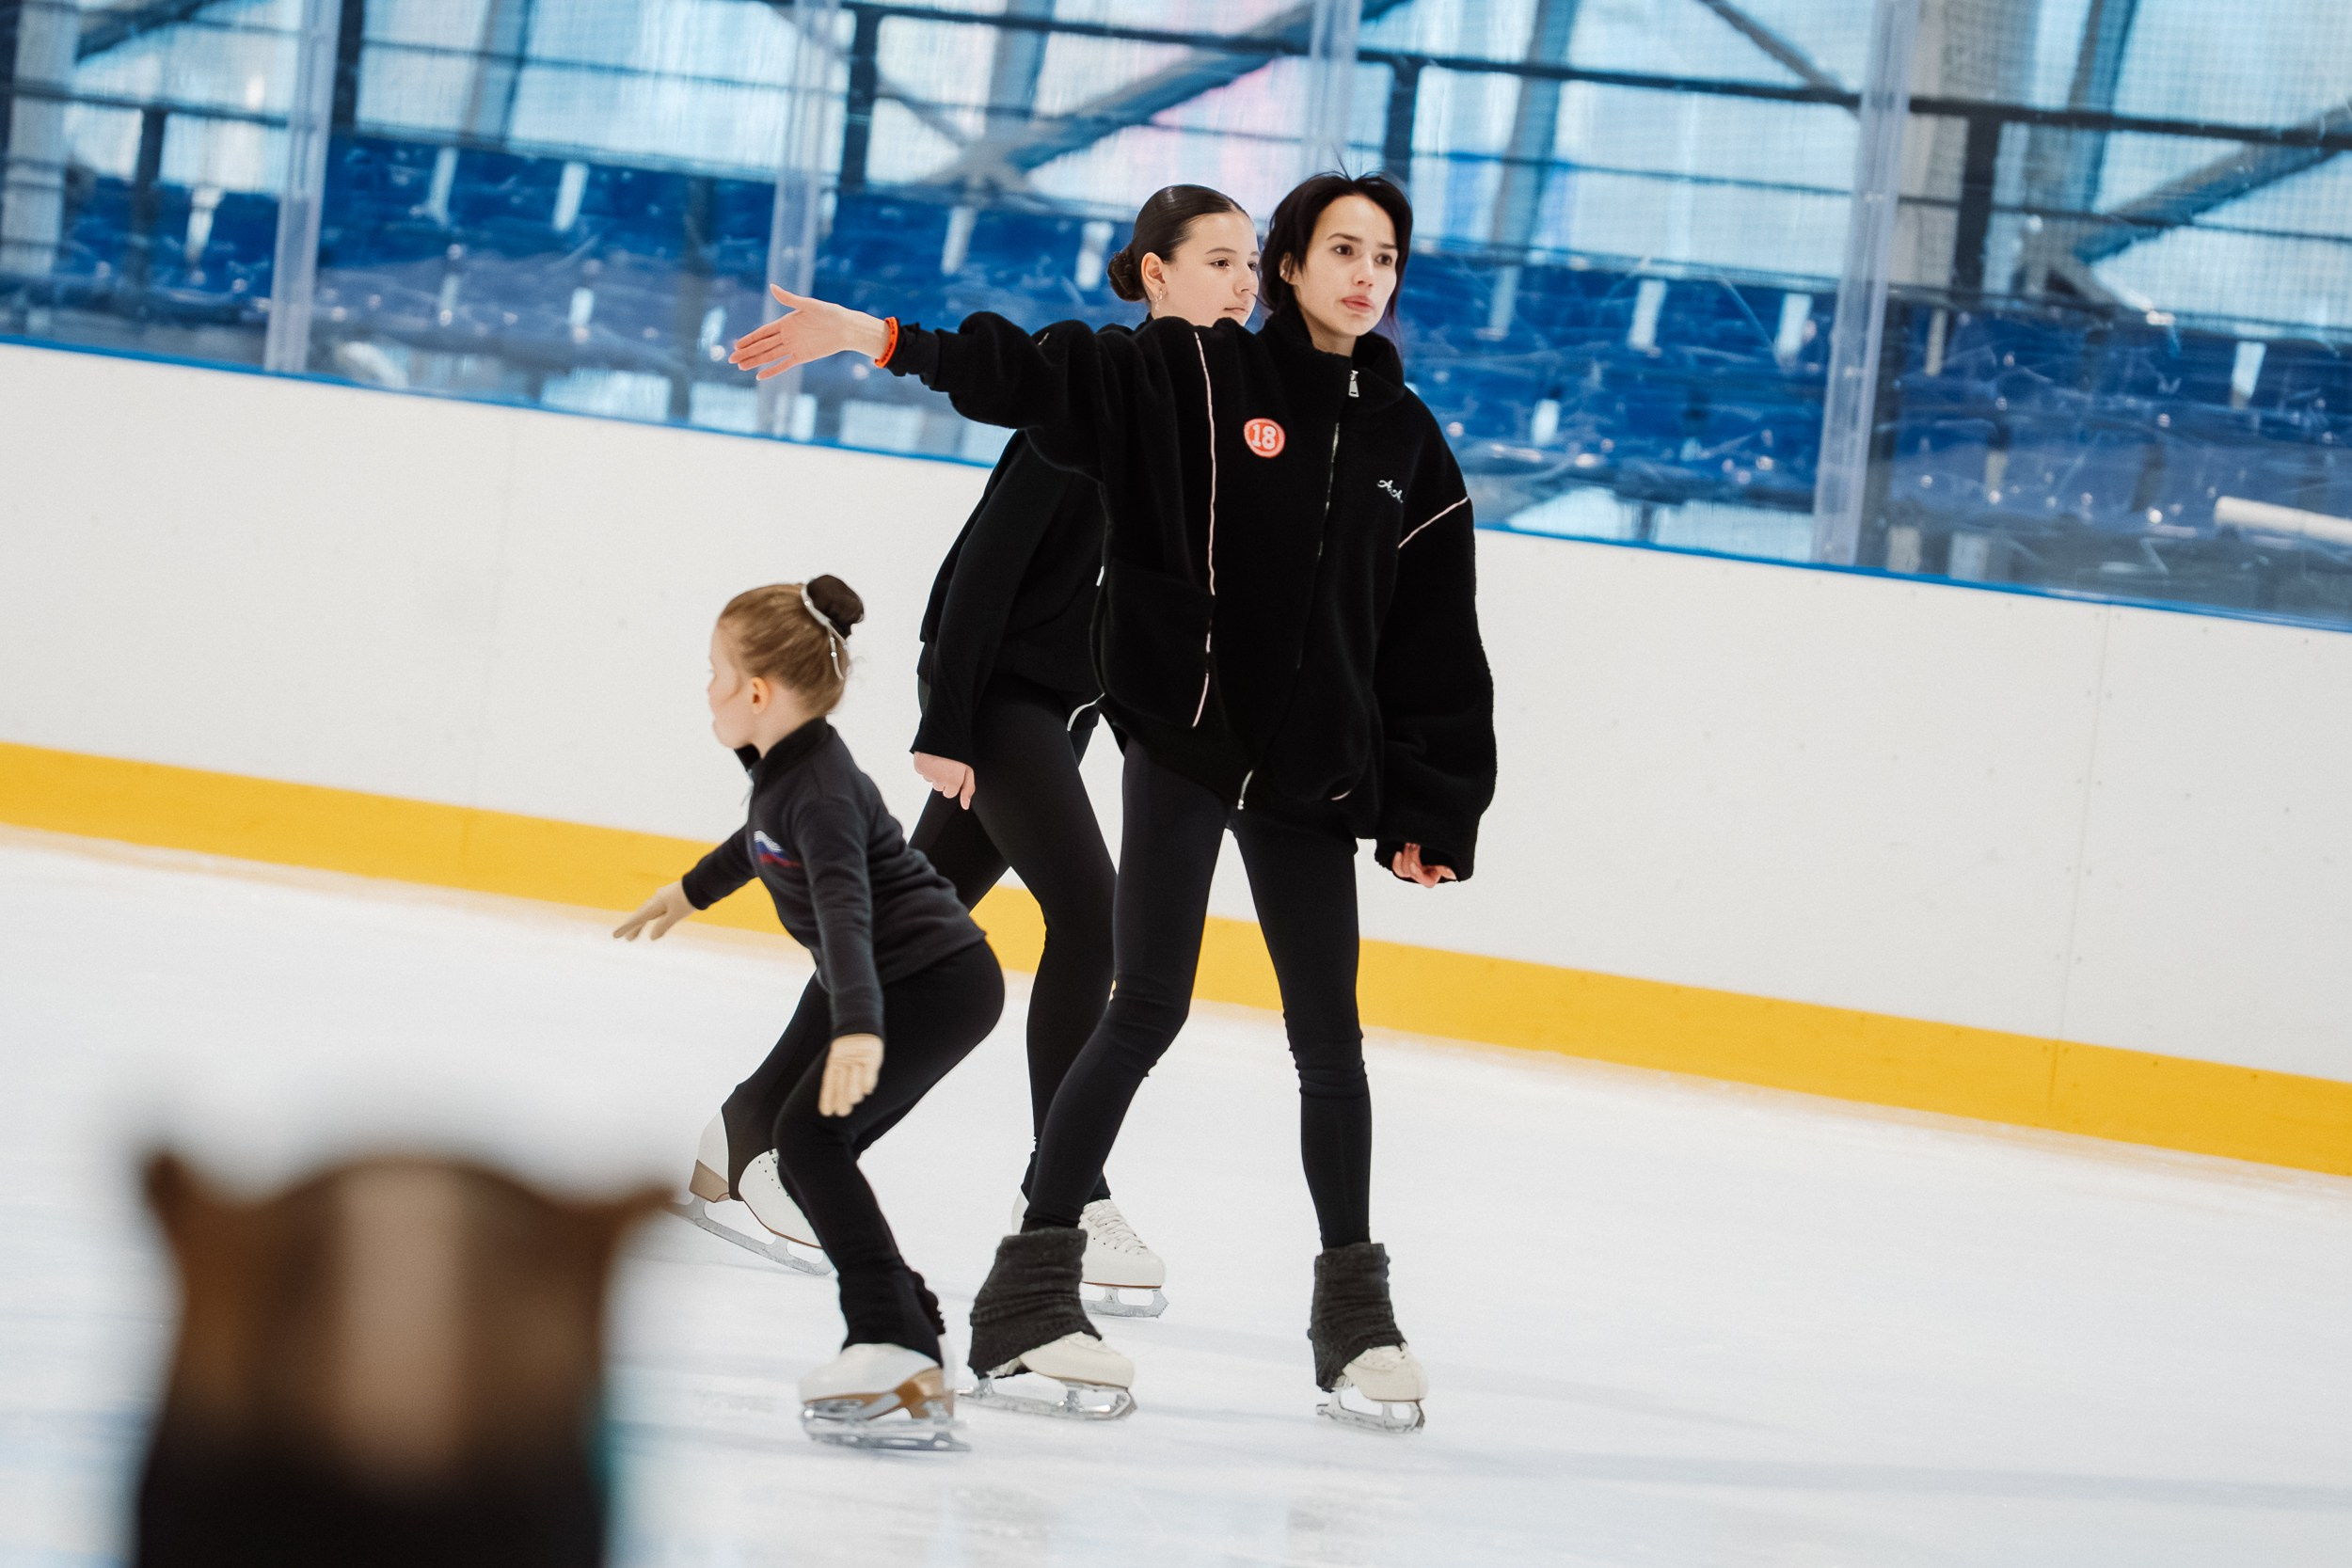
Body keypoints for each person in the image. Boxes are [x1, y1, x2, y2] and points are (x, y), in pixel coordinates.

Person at [728, 173, 1496, 1433]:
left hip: (1315, 778)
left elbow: (1433, 641)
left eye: (1389, 256)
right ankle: (1031, 1291)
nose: (1369, 274)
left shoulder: (1408, 443)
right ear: (1292, 267)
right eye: (1340, 250)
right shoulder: (1201, 382)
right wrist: (882, 338)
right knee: (1146, 1001)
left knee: (1332, 1044)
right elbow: (1047, 381)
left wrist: (1434, 804)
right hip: (1189, 744)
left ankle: (1356, 1322)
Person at [905, 183, 1261, 1319]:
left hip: (1057, 718)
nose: (1244, 283)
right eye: (1218, 261)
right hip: (1000, 707)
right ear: (1154, 273)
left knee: (912, 933)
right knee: (1092, 917)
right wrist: (944, 725)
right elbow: (980, 570)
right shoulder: (1095, 388)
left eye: (1253, 265)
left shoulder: (1212, 424)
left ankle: (755, 1131)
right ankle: (1069, 1194)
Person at [613, 576, 1005, 1450]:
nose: (706, 687)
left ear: (756, 692)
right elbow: (758, 841)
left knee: (809, 1140)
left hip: (931, 985)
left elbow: (846, 911)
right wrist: (686, 893)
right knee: (818, 1146)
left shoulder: (818, 789)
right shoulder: (790, 768)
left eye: (714, 671)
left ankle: (890, 1342)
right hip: (922, 981)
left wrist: (859, 1025)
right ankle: (904, 1329)